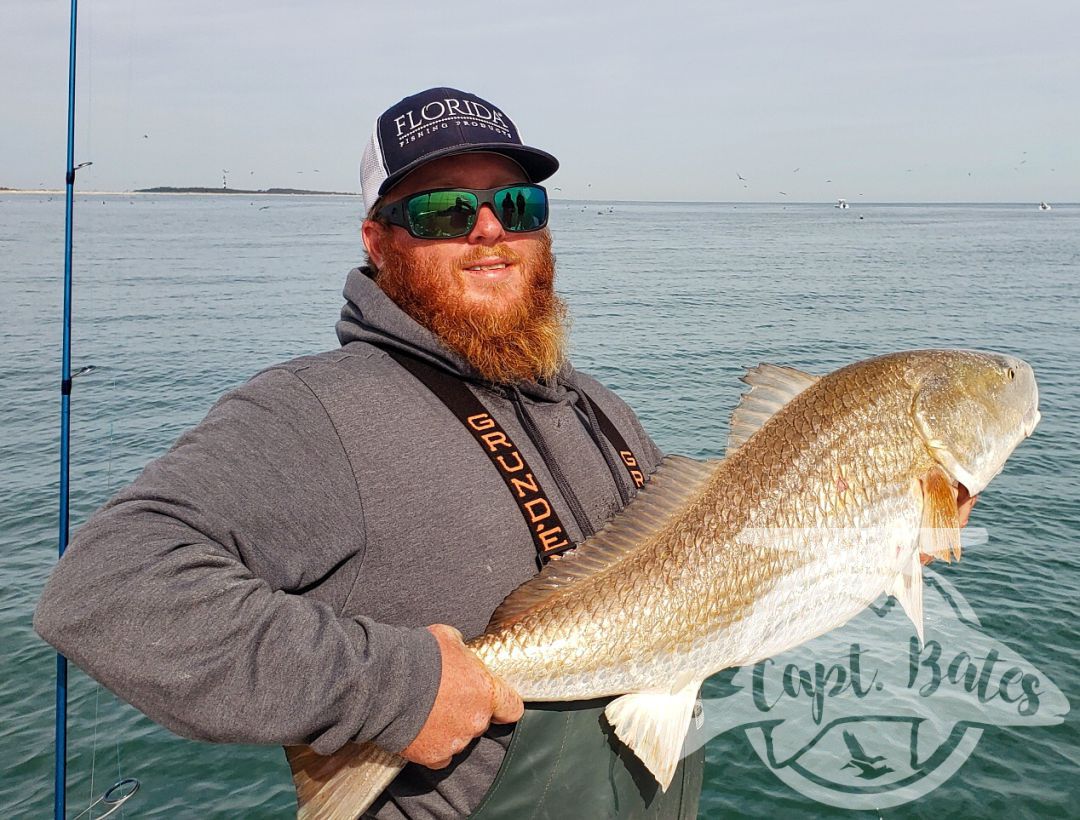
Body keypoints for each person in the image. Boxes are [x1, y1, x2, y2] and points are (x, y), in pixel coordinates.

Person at [34, 87, 705, 818]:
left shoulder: (602, 410)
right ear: (378, 241)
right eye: (442, 211)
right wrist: (394, 687)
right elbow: (102, 590)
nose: (489, 231)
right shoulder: (316, 412)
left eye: (517, 206)